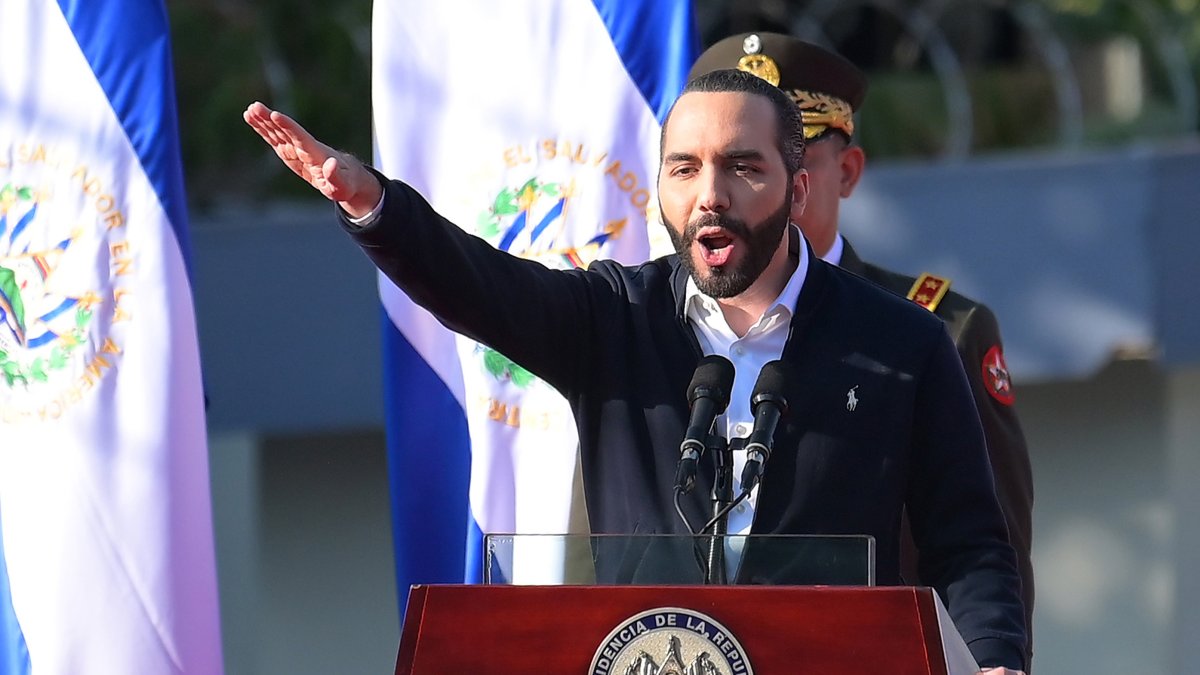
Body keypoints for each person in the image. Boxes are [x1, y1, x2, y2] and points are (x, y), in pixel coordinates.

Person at [244, 67, 1027, 672]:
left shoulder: (902, 342)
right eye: (683, 169)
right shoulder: (613, 318)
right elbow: (476, 285)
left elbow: (969, 543)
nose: (709, 196)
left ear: (798, 184)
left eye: (742, 168)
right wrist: (374, 205)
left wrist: (994, 658)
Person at [689, 32, 1036, 667]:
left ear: (844, 172)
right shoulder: (670, 316)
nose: (749, 189)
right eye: (732, 161)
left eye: (787, 160)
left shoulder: (935, 330)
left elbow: (989, 550)